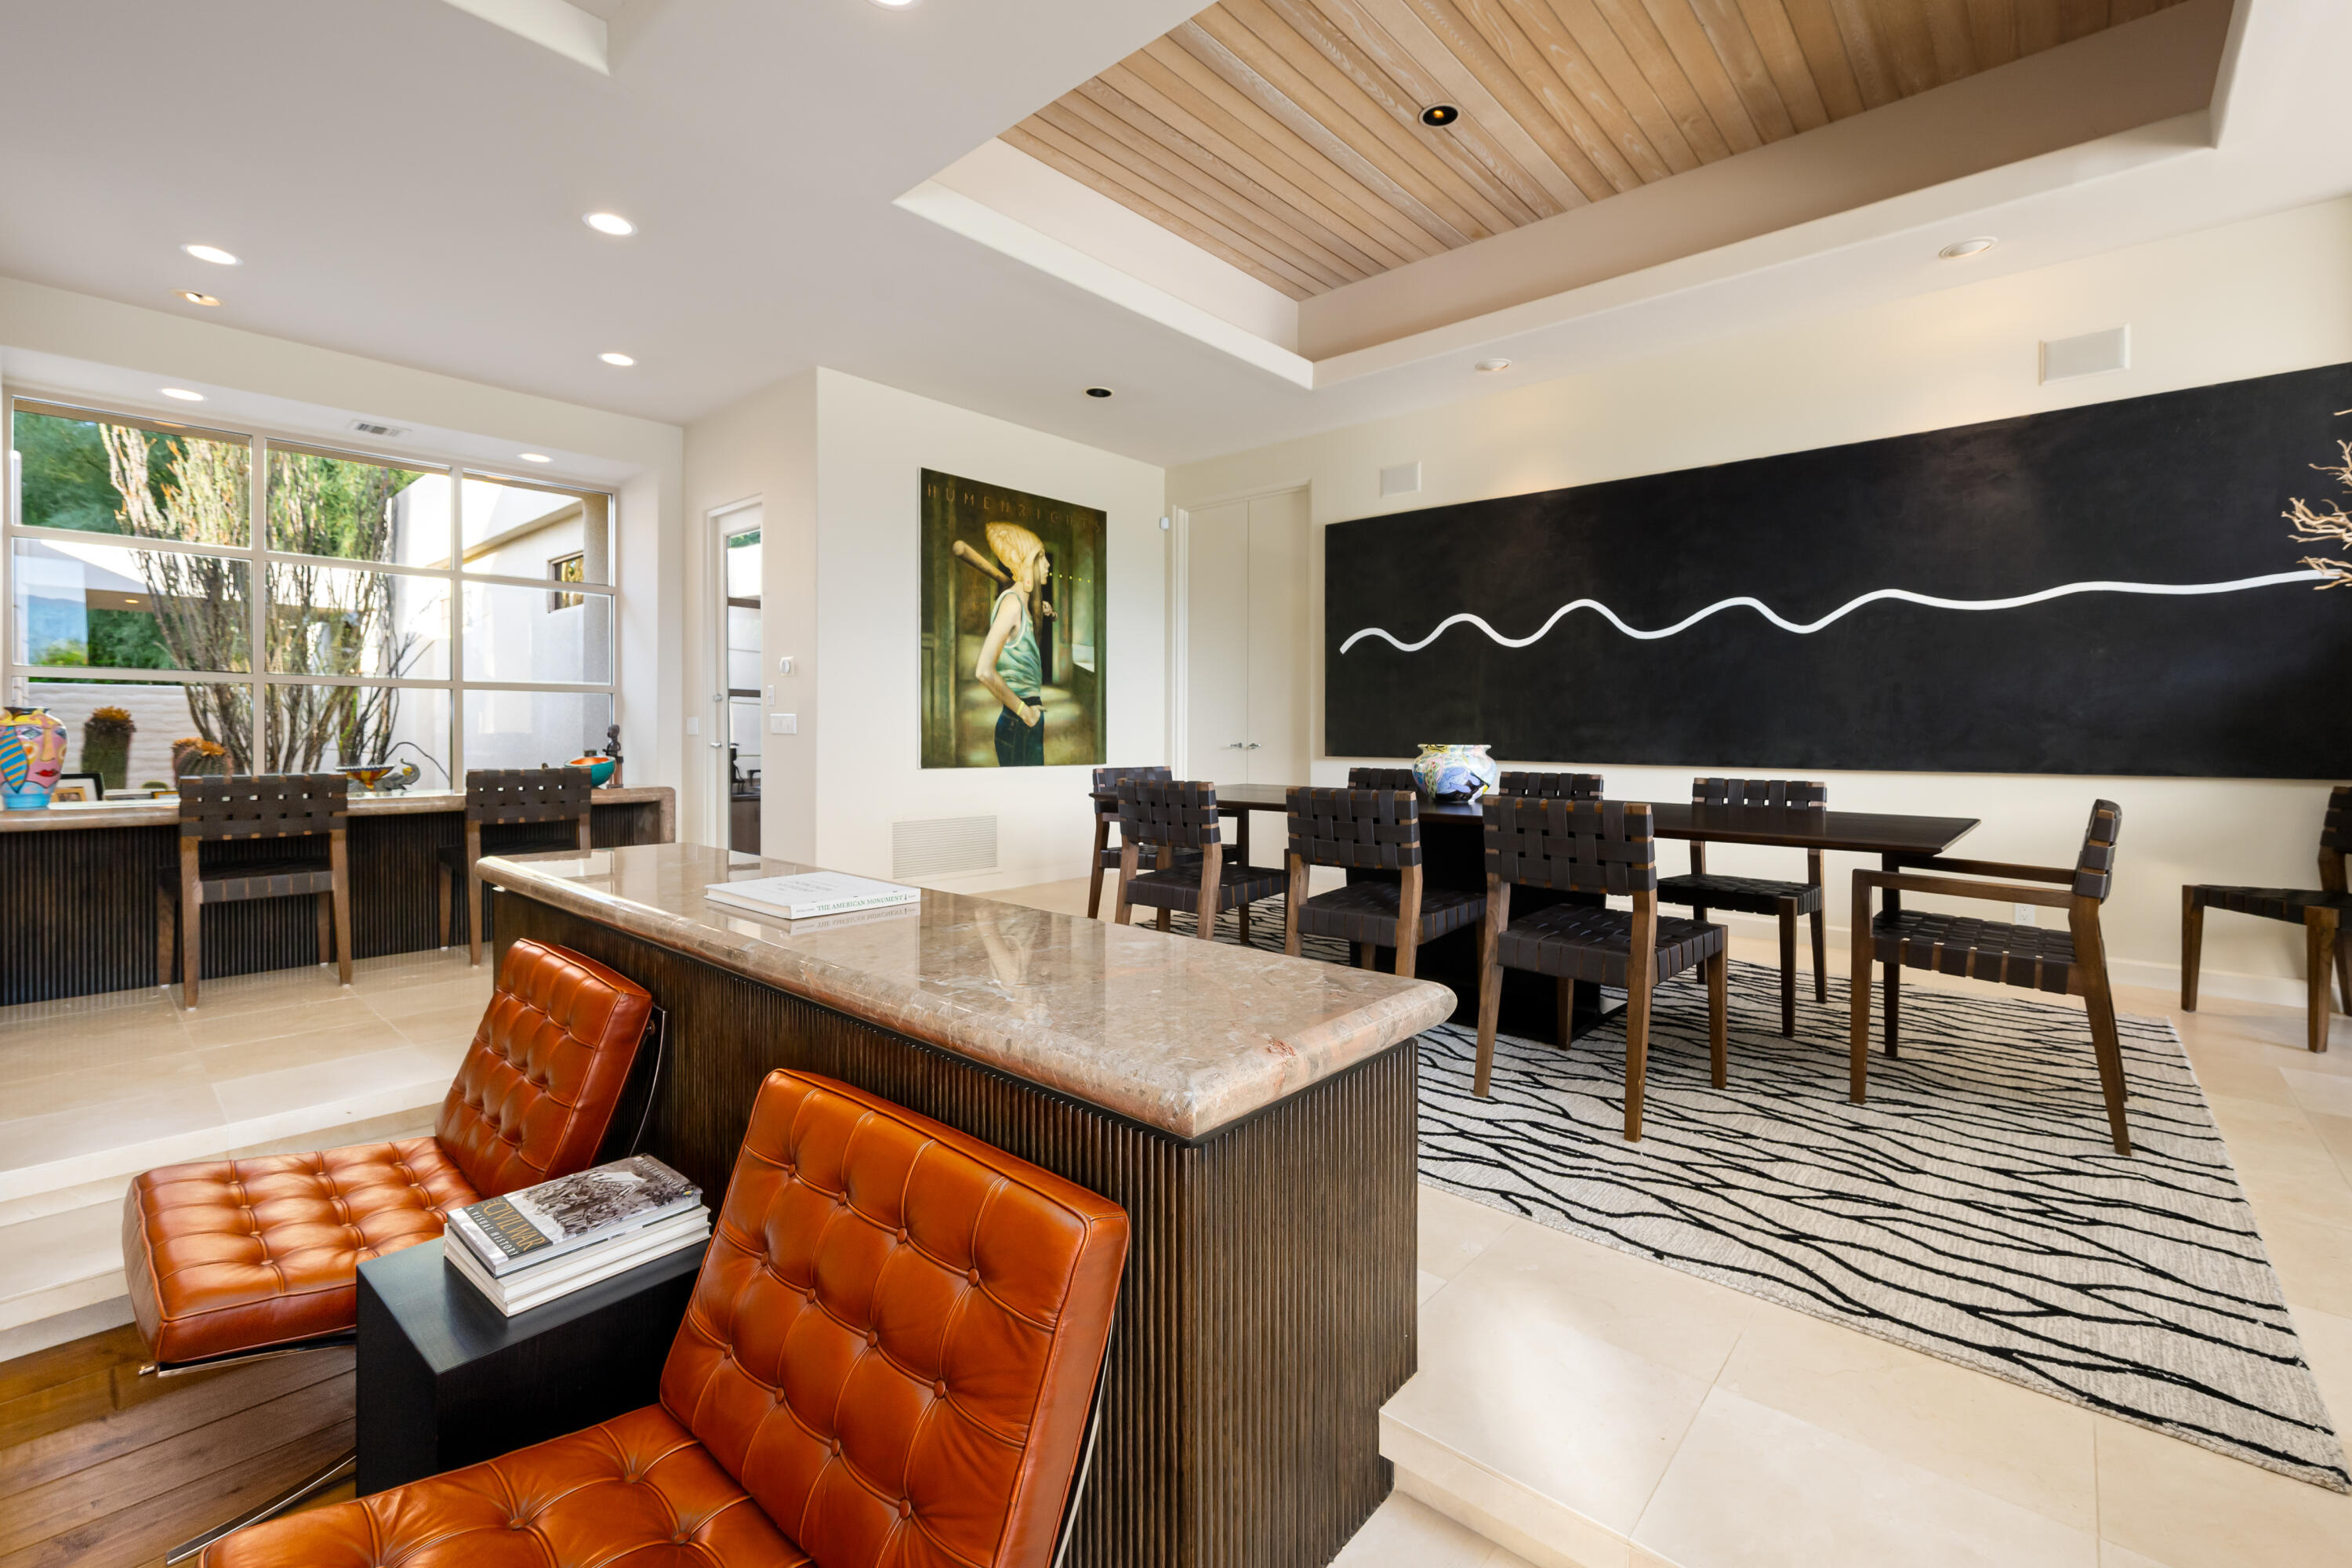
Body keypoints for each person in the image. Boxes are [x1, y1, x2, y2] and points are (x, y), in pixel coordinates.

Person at [974, 522, 1051, 767]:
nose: (1048, 564)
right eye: (1041, 557)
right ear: (1027, 563)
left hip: (1025, 721)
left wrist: (1047, 612)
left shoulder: (1022, 604)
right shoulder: (1012, 605)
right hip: (1019, 721)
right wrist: (1026, 713)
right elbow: (984, 671)